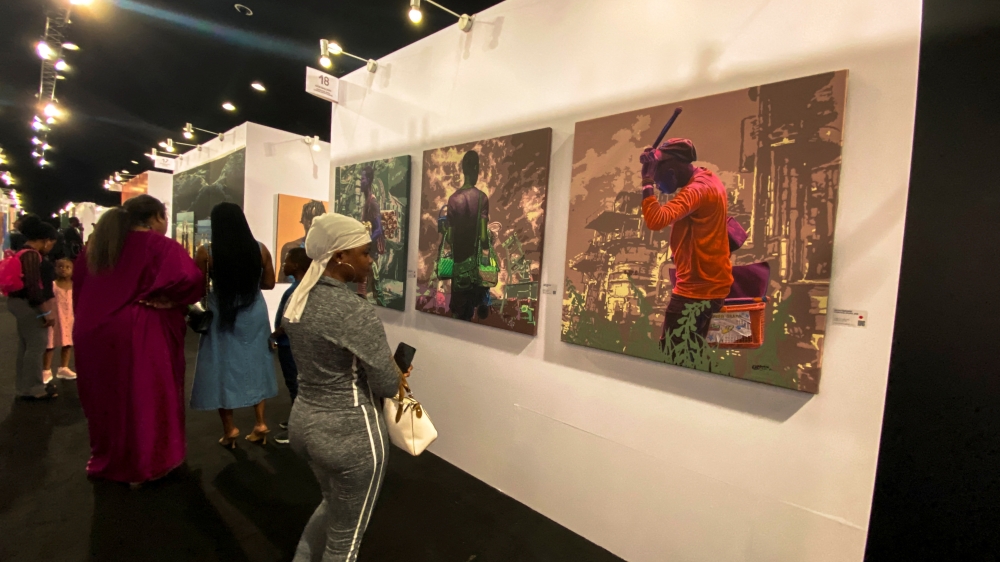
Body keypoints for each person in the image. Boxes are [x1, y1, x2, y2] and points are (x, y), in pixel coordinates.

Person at [282, 212, 410, 562]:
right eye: (365, 253)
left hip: (304, 423)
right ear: (340, 257)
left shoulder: (297, 300)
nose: (370, 261)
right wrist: (398, 372)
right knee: (346, 540)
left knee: (333, 507)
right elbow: (385, 383)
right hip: (350, 434)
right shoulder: (355, 311)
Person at [73, 194, 205, 484]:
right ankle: (148, 462)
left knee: (105, 398)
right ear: (157, 217)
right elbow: (191, 280)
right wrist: (170, 301)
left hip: (91, 330)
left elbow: (81, 288)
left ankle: (107, 458)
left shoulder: (97, 247)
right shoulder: (159, 246)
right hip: (139, 330)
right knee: (146, 397)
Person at [190, 202, 278, 447]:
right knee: (257, 361)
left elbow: (197, 288)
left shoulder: (206, 252)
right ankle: (260, 422)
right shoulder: (260, 250)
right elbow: (269, 284)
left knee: (221, 365)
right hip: (254, 311)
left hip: (222, 311)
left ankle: (230, 429)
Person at [639, 138, 734, 348]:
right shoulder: (709, 178)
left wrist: (646, 183)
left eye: (659, 179)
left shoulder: (697, 190)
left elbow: (655, 221)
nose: (660, 187)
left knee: (672, 355)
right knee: (708, 355)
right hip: (716, 289)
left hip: (695, 293)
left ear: (672, 171)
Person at [5, 215, 58, 400]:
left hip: (17, 303)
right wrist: (46, 312)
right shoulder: (32, 256)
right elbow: (34, 288)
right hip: (28, 305)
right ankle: (35, 389)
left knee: (26, 345)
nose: (51, 246)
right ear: (44, 240)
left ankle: (23, 387)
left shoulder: (22, 252)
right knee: (36, 345)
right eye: (51, 242)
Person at [270, 247, 313, 444]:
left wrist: (272, 336)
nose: (283, 264)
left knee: (296, 385)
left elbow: (289, 322)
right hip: (290, 344)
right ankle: (296, 421)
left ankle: (298, 430)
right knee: (293, 384)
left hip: (290, 345)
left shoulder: (298, 290)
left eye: (286, 261)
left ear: (296, 264)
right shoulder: (299, 286)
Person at [446, 150, 491, 320]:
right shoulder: (482, 199)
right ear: (475, 168)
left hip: (458, 268)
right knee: (472, 315)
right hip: (474, 270)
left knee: (458, 314)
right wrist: (488, 242)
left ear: (463, 169)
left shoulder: (453, 199)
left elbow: (450, 238)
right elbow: (484, 239)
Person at [42, 257, 77, 381]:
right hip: (55, 319)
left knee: (67, 343)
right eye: (61, 267)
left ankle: (64, 368)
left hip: (70, 319)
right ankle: (46, 369)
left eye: (68, 267)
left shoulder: (75, 286)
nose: (64, 270)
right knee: (50, 344)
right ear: (55, 269)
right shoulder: (52, 286)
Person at [280, 200, 326, 281]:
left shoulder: (327, 250)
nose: (310, 221)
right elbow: (280, 281)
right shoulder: (289, 248)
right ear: (303, 219)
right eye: (308, 217)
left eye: (315, 217)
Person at [358, 166, 386, 301]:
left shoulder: (372, 203)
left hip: (371, 253)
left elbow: (379, 229)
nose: (360, 182)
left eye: (362, 179)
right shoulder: (367, 202)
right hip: (367, 251)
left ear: (368, 180)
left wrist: (366, 241)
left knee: (375, 289)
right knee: (364, 286)